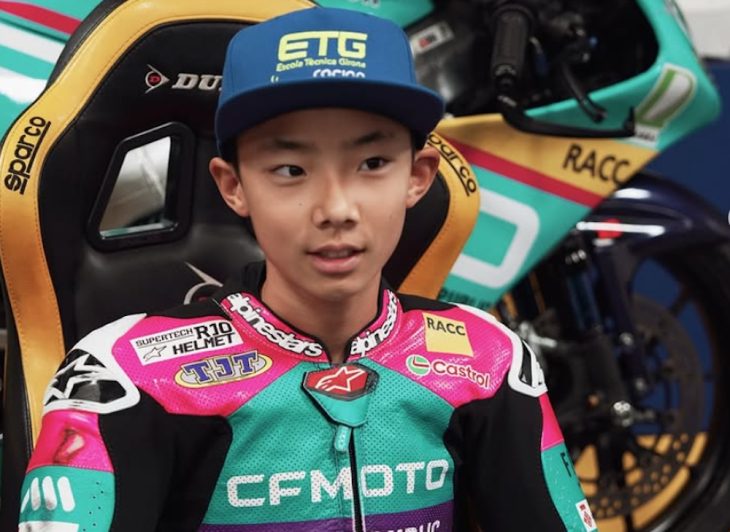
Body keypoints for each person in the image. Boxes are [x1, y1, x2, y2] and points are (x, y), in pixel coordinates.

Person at [17, 7, 596, 531]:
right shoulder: (124, 375)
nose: (336, 209)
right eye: (291, 170)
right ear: (233, 186)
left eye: (373, 162)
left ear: (418, 177)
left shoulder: (491, 360)